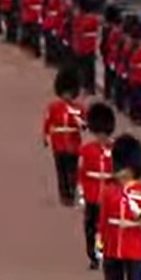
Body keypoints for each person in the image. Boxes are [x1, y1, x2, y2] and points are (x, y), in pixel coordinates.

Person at [97, 134, 141, 280]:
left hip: (135, 246)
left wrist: (140, 215)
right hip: (113, 245)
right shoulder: (109, 191)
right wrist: (100, 241)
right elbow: (103, 219)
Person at [78, 103, 115, 271]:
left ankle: (106, 254)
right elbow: (82, 173)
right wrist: (81, 194)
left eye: (104, 134)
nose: (101, 138)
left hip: (109, 197)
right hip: (92, 196)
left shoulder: (116, 150)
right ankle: (93, 256)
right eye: (99, 133)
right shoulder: (87, 150)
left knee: (106, 228)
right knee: (90, 228)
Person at [42, 68, 84, 206]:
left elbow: (84, 124)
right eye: (65, 93)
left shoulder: (79, 108)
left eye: (70, 93)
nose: (67, 96)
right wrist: (45, 137)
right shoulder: (54, 107)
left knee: (72, 169)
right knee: (61, 171)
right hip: (58, 143)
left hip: (73, 143)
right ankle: (64, 194)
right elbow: (48, 123)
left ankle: (72, 191)